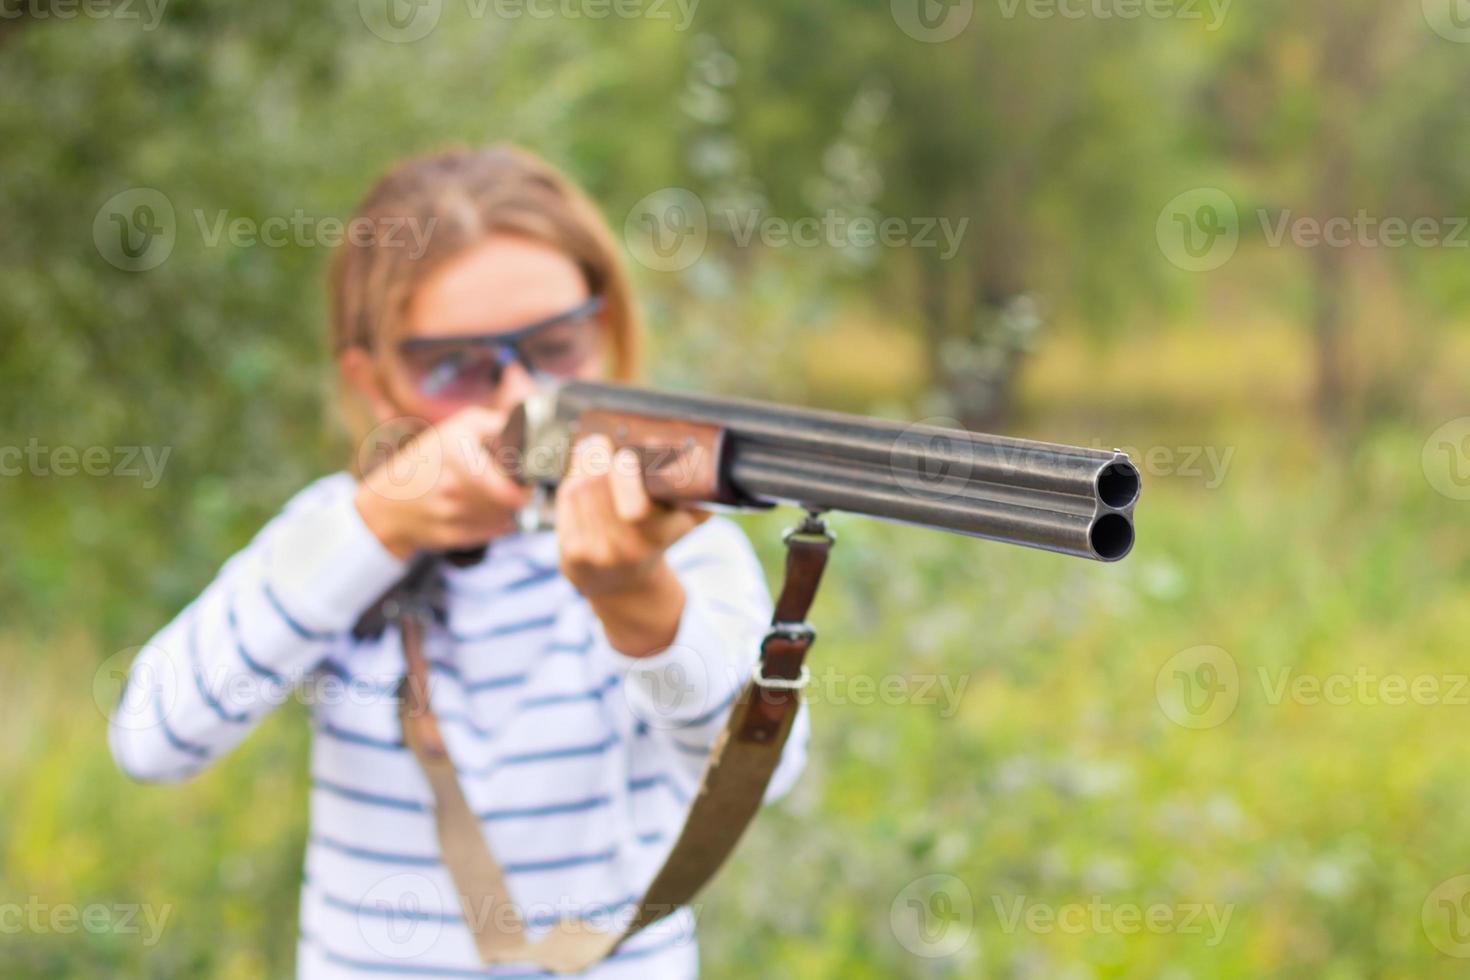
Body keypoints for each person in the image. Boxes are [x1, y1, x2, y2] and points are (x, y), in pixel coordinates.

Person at [108, 144, 809, 978]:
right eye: (453, 366)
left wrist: (639, 607)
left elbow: (768, 776)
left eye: (555, 347)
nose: (518, 397)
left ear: (606, 327)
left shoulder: (680, 541)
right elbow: (153, 739)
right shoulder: (336, 536)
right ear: (374, 382)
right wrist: (378, 531)